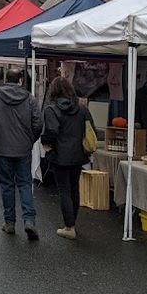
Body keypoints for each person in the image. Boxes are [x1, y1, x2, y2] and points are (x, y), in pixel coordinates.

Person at [0, 68, 42, 239]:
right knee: (25, 184)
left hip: (2, 147)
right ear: (20, 80)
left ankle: (9, 222)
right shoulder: (29, 98)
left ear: (5, 79)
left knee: (7, 185)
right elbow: (38, 123)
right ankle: (29, 220)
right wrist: (30, 139)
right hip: (23, 148)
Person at [41, 76, 96, 240]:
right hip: (78, 154)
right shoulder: (82, 109)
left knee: (64, 190)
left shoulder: (51, 110)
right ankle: (73, 223)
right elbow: (91, 129)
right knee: (74, 188)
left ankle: (69, 226)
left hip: (60, 155)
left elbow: (52, 131)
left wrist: (45, 142)